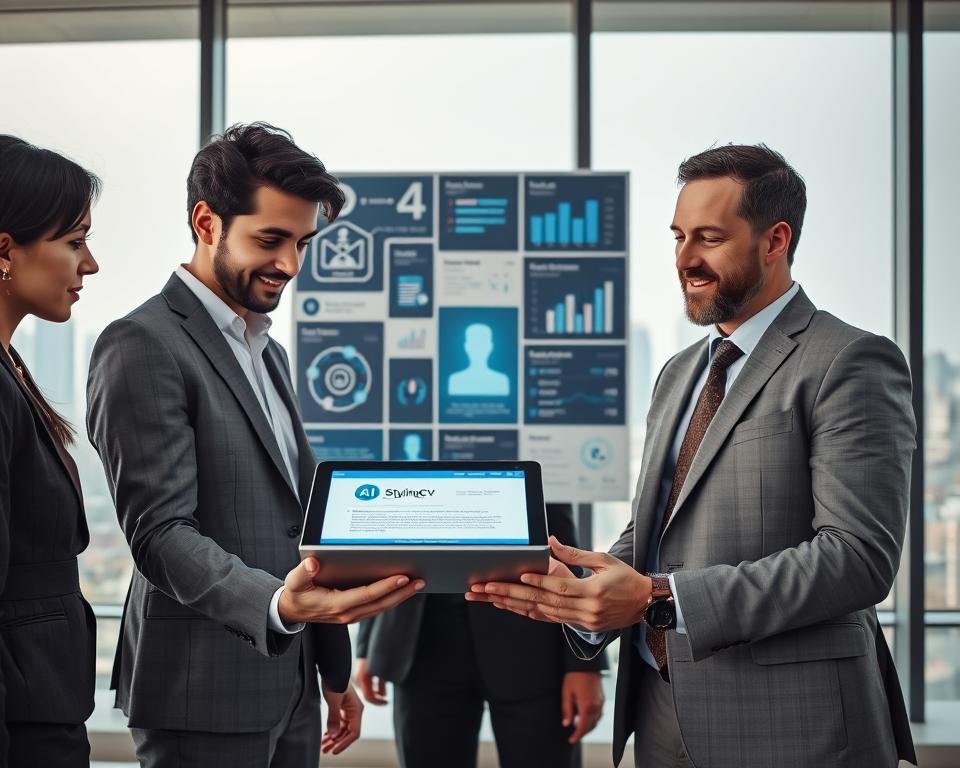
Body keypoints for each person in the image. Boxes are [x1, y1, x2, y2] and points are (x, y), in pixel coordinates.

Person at [467, 144, 917, 768]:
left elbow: (858, 558)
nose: (684, 260)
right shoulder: (679, 373)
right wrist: (585, 591)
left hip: (794, 725)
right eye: (678, 236)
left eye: (708, 237)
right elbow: (654, 531)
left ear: (774, 239)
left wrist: (660, 597)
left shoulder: (848, 361)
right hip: (660, 714)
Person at [86, 123, 423, 768]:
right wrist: (274, 605)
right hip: (200, 691)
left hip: (289, 684)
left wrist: (329, 669)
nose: (291, 266)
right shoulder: (142, 345)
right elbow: (159, 534)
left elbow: (298, 524)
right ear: (206, 221)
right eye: (270, 240)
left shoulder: (268, 355)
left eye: (301, 243)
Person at [355, 503, 605, 768]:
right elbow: (382, 534)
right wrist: (367, 643)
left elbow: (563, 545)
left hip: (530, 643)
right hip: (420, 646)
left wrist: (584, 662)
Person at [0, 135, 100, 767]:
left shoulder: (10, 368)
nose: (89, 265)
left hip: (41, 703)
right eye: (73, 240)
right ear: (6, 250)